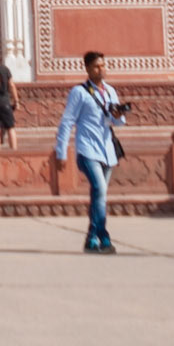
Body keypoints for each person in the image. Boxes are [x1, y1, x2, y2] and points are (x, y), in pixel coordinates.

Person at [54, 50, 127, 254]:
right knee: (100, 190)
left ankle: (91, 237)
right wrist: (61, 152)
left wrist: (119, 115)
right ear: (87, 68)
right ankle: (103, 236)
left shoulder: (111, 91)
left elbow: (117, 123)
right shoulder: (80, 92)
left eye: (103, 65)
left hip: (107, 150)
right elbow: (67, 121)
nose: (101, 69)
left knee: (99, 195)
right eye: (96, 66)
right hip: (87, 149)